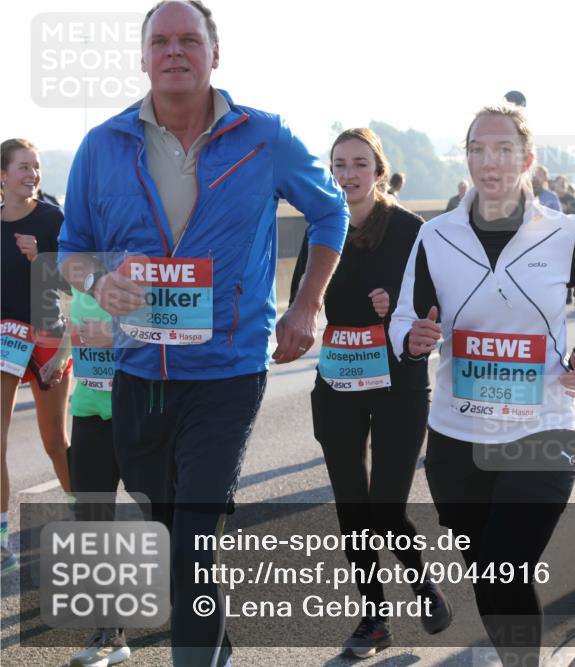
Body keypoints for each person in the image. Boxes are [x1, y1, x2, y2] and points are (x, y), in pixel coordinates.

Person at [57, 2, 350, 665]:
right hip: (136, 371)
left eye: (190, 39)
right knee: (173, 543)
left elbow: (329, 213)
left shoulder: (263, 137)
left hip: (226, 370)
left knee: (192, 539)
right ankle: (213, 648)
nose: (175, 51)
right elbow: (73, 246)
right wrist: (100, 282)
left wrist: (306, 305)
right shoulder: (102, 146)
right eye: (160, 41)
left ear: (215, 54)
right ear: (143, 58)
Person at [389, 104, 575, 666]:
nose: (490, 161)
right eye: (478, 149)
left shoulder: (564, 234)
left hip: (543, 429)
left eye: (504, 150)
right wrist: (413, 338)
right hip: (456, 438)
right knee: (489, 576)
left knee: (506, 566)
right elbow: (402, 317)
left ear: (527, 160)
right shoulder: (435, 236)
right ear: (466, 158)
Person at [288, 128, 452, 657]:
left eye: (360, 164)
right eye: (338, 165)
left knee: (385, 509)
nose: (348, 174)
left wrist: (398, 310)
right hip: (338, 383)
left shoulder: (408, 230)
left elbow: (438, 302)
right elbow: (300, 300)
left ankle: (423, 585)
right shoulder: (323, 227)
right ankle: (373, 619)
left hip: (399, 383)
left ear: (379, 173)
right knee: (351, 510)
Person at [1, 138, 73, 575]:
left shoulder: (52, 219)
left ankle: (88, 520)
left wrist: (41, 258)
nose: (32, 174)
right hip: (6, 339)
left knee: (55, 443)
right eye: (24, 167)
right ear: (3, 176)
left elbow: (77, 284)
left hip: (48, 336)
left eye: (37, 167)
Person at [65, 286, 130, 667]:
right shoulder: (77, 267)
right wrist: (59, 355)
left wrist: (115, 335)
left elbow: (185, 325)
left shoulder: (145, 253)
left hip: (143, 408)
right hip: (89, 408)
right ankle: (110, 632)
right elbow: (59, 323)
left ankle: (194, 608)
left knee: (168, 514)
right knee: (91, 519)